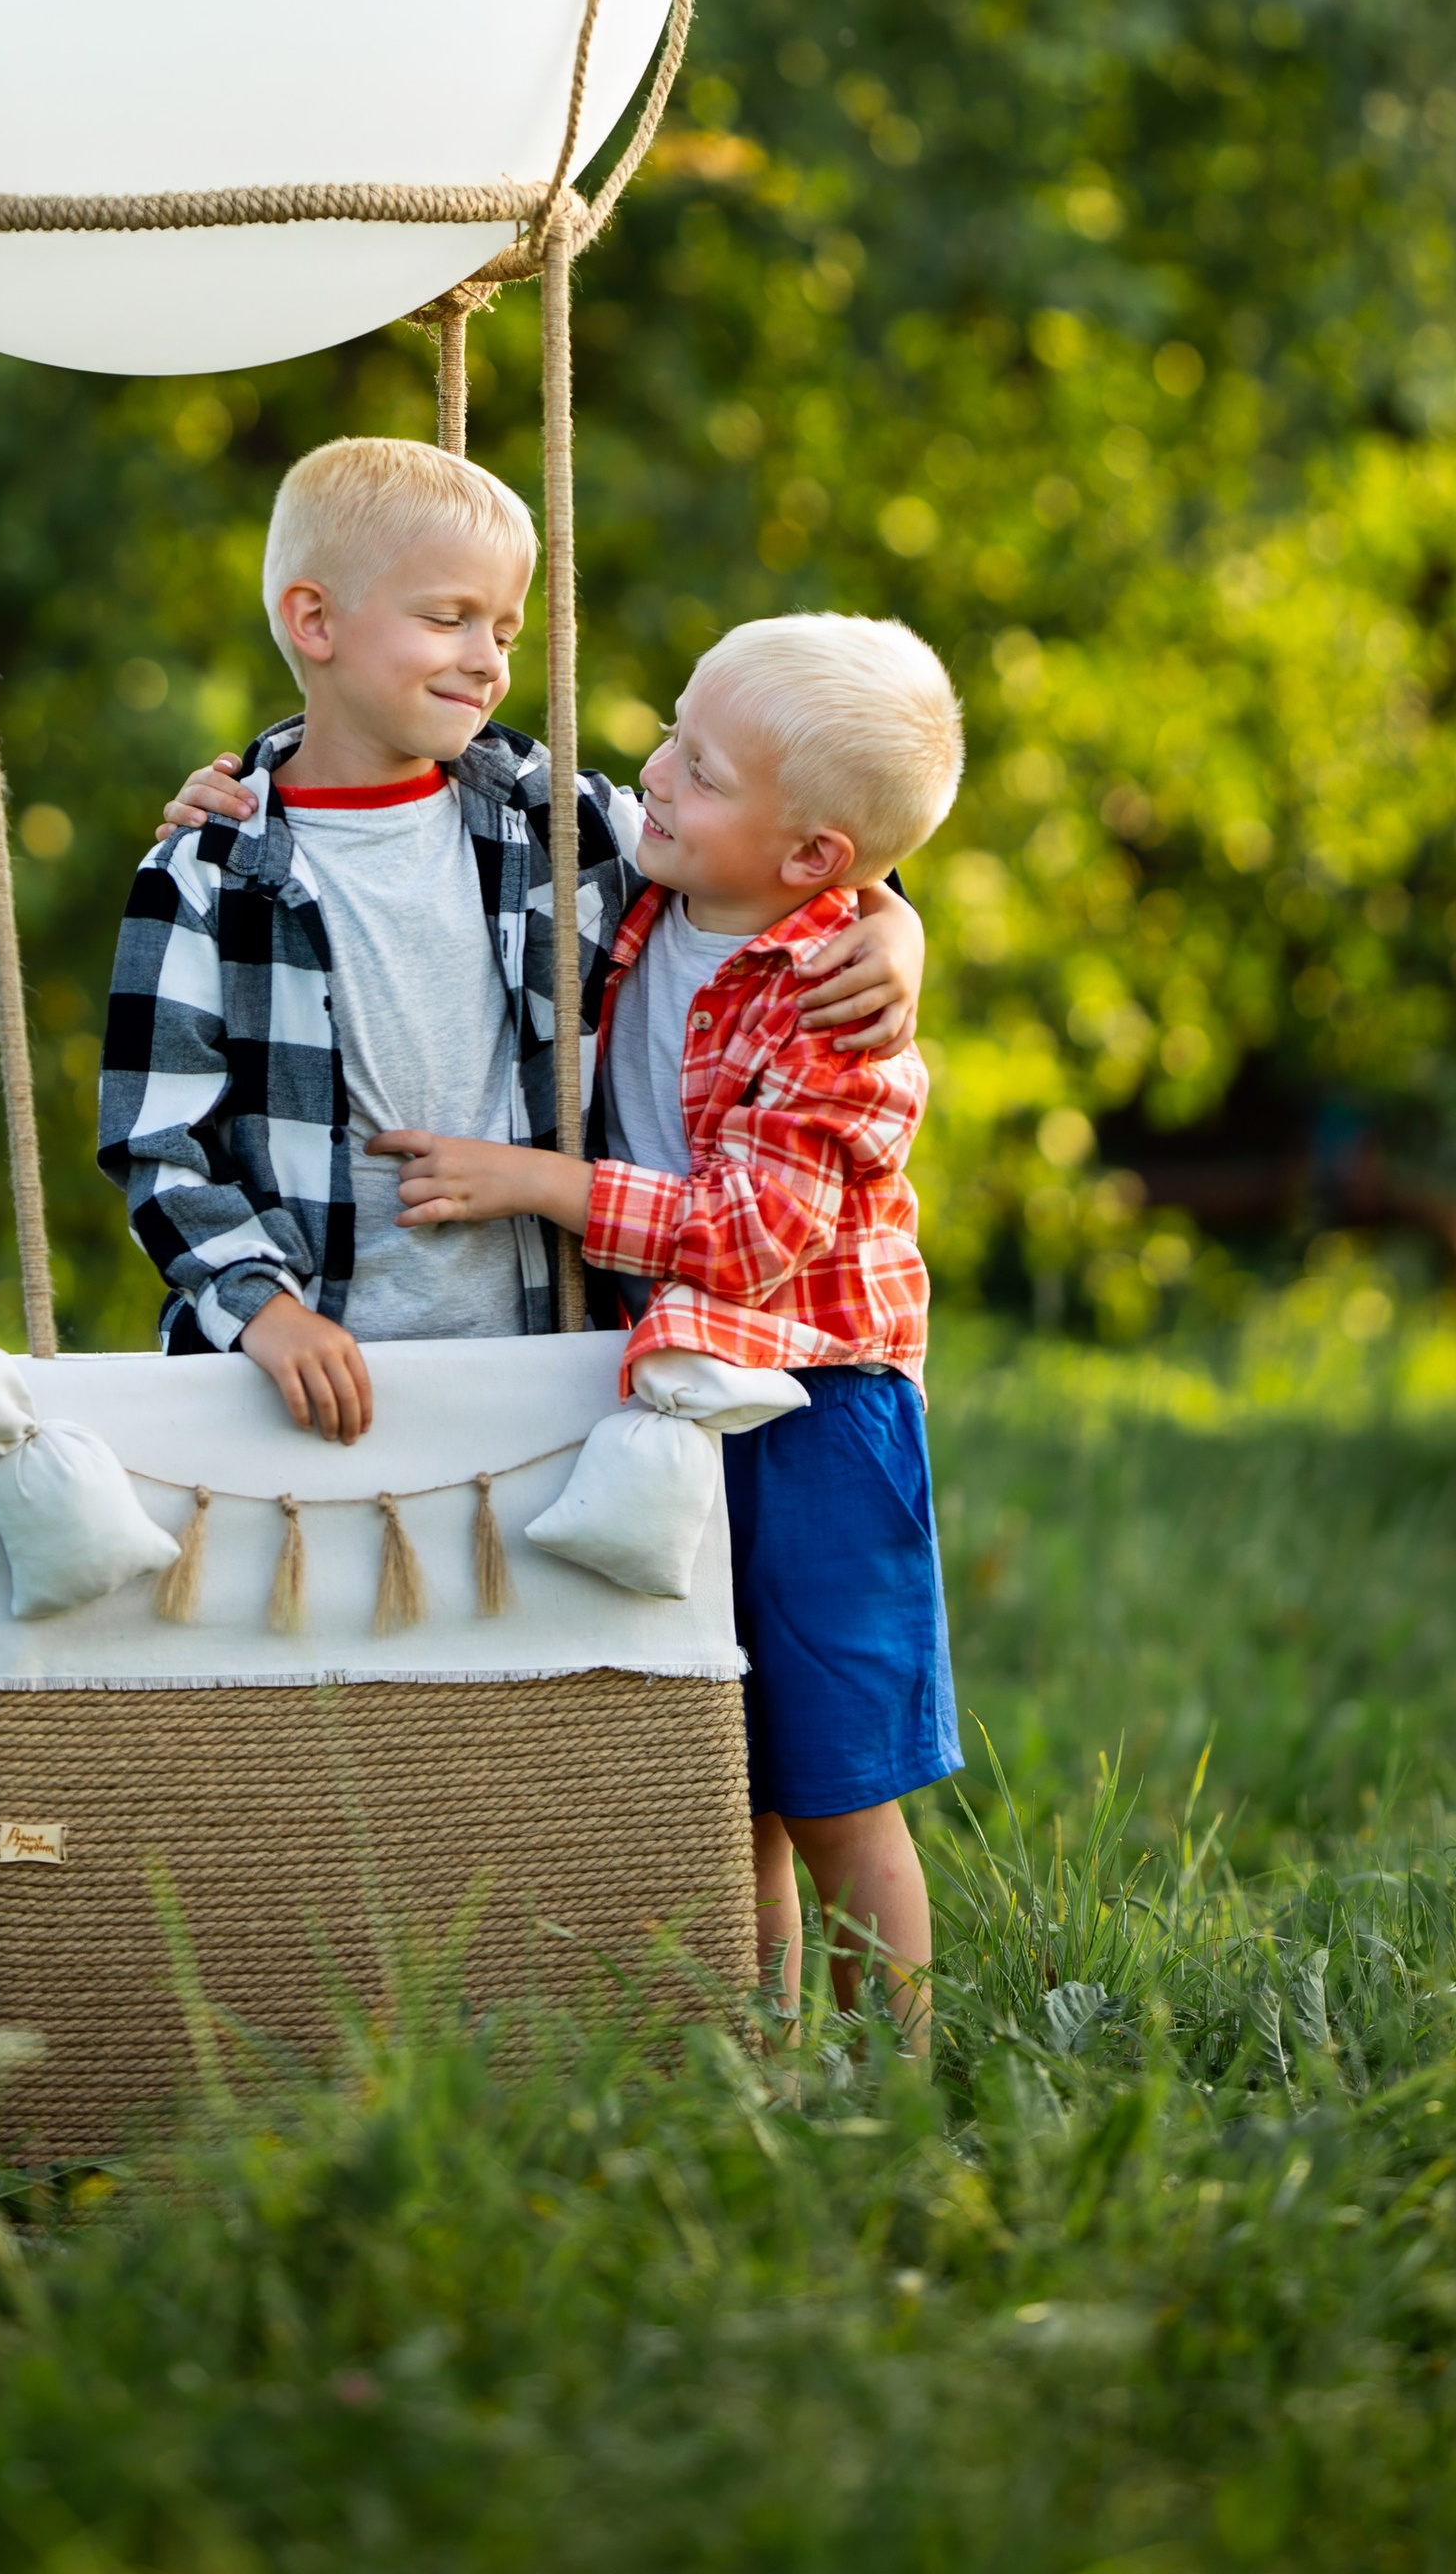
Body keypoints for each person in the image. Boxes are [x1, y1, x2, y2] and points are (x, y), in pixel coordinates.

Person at [371, 611, 964, 2050]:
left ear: (813, 856)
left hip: (819, 1401)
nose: (653, 775)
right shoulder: (659, 880)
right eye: (674, 737)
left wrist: (541, 1186)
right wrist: (225, 794)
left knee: (832, 1771)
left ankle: (891, 2073)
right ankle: (754, 2062)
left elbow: (760, 1239)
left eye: (695, 767)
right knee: (721, 1750)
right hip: (681, 1388)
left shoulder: (831, 1006)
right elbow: (417, 769)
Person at [99, 440, 926, 1450]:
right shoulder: (207, 874)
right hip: (305, 1366)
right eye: (447, 618)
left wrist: (890, 913)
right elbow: (156, 1140)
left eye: (503, 629)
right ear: (313, 621)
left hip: (552, 1363)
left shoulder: (559, 826)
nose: (487, 659)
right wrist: (263, 1314)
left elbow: (770, 862)